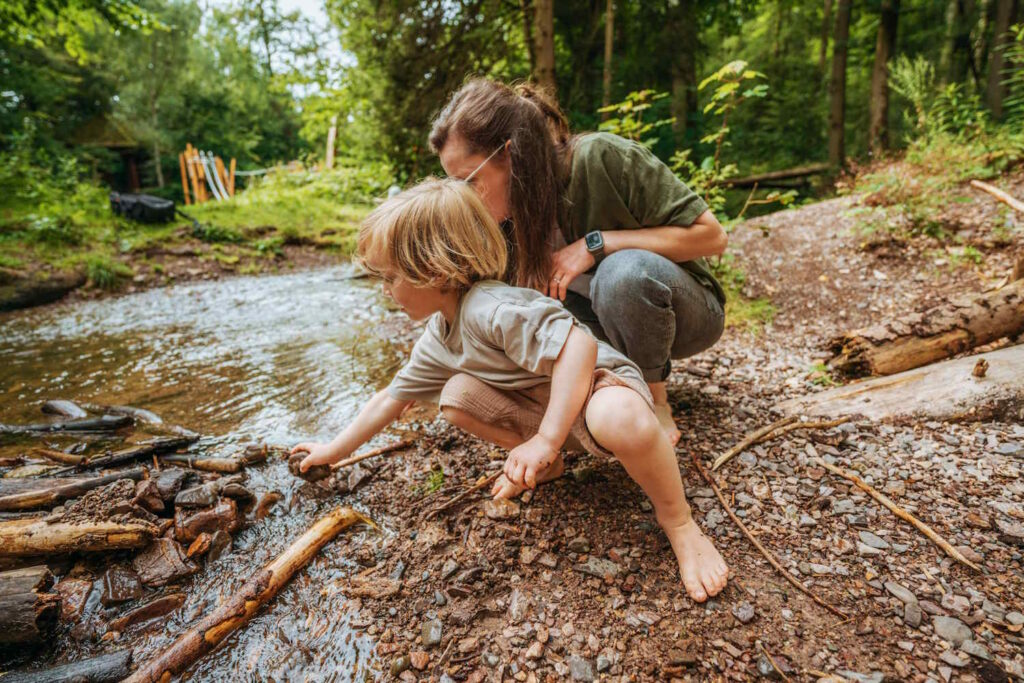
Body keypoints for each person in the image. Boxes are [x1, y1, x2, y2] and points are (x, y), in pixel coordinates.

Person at [290, 179, 728, 602]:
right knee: (456, 397)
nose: (386, 291)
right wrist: (332, 450)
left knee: (617, 418)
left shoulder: (489, 307)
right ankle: (550, 464)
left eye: (390, 278)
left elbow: (578, 346)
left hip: (599, 388)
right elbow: (391, 397)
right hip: (557, 414)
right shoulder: (440, 334)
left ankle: (680, 522)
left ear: (432, 270)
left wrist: (545, 438)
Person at [429, 78, 728, 445]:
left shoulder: (599, 158)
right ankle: (613, 398)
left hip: (687, 314)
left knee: (621, 274)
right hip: (601, 329)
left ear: (510, 154)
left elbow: (712, 238)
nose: (465, 198)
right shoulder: (500, 221)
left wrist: (595, 246)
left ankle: (656, 397)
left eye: (469, 181)